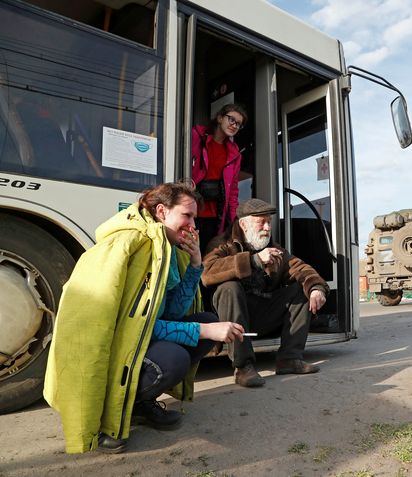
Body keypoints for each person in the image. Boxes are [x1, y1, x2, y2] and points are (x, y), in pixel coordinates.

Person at [43, 182, 246, 454]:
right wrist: (204, 331)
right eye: (187, 216)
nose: (193, 225)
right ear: (162, 211)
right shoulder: (134, 246)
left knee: (207, 318)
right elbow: (135, 326)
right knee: (178, 356)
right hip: (114, 350)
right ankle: (105, 419)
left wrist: (196, 265)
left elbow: (170, 313)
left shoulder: (169, 250)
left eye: (194, 217)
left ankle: (138, 404)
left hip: (135, 341)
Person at [201, 198, 329, 388]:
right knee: (230, 288)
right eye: (261, 222)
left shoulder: (275, 250)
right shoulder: (222, 245)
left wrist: (316, 288)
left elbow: (301, 269)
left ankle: (289, 359)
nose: (267, 227)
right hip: (230, 318)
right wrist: (254, 261)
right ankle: (243, 367)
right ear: (243, 224)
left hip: (260, 313)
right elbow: (207, 272)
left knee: (301, 290)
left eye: (269, 222)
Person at [192, 103, 248, 253]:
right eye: (231, 119)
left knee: (207, 256)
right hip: (191, 208)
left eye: (238, 124)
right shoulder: (197, 136)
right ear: (219, 118)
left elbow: (233, 191)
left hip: (214, 216)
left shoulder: (234, 154)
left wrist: (234, 220)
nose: (234, 125)